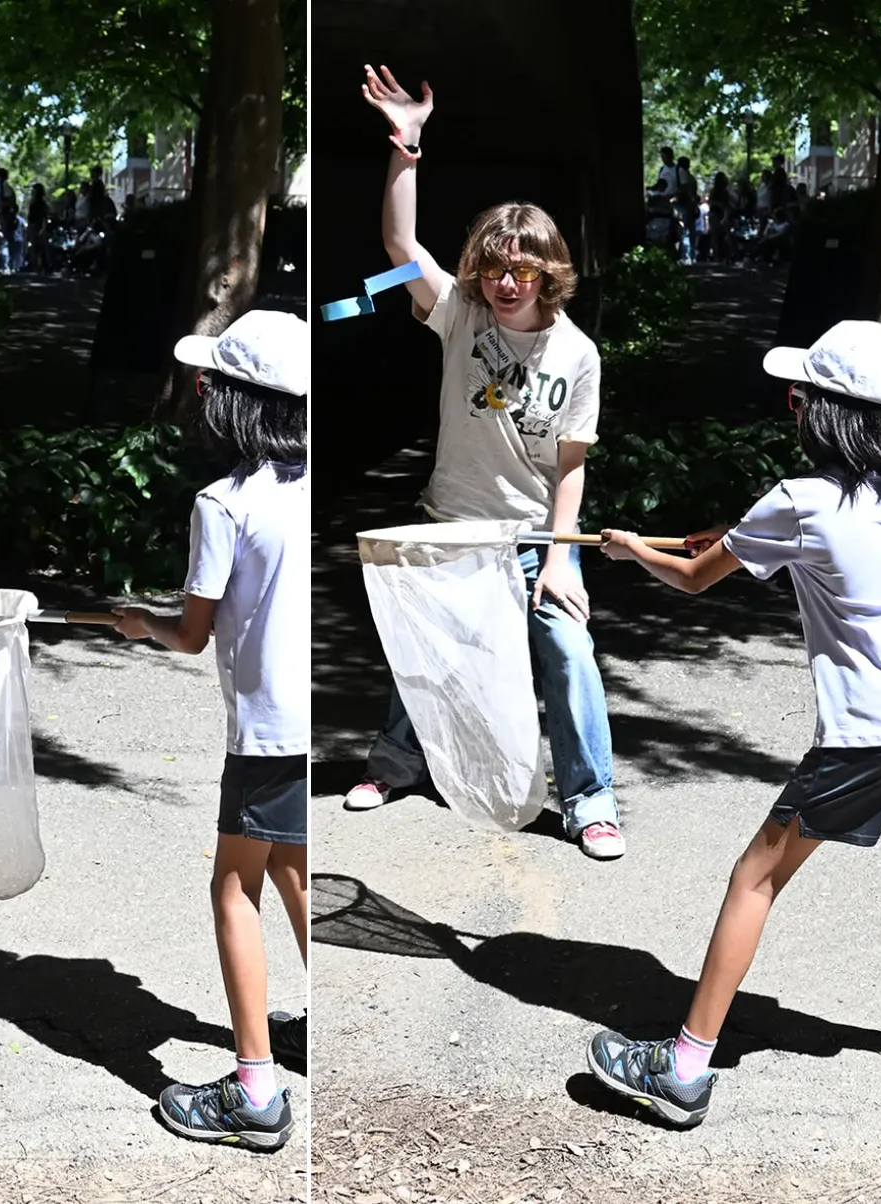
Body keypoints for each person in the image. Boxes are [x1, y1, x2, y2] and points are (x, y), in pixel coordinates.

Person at [586, 320, 881, 1127]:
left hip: (870, 733)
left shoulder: (803, 501)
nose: (791, 406)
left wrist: (632, 550)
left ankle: (685, 1068)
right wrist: (736, 540)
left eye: (799, 396)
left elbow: (697, 578)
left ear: (823, 412)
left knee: (754, 878)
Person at [344, 64, 625, 860]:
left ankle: (589, 801)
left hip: (535, 536)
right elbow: (399, 245)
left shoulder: (577, 352)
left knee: (568, 656)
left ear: (548, 272)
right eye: (494, 267)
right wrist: (407, 142)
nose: (505, 282)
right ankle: (398, 765)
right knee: (425, 647)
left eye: (522, 270)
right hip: (451, 522)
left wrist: (562, 560)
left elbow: (572, 461)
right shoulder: (461, 313)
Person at [109, 310, 309, 1150]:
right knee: (298, 870)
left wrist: (135, 623)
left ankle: (256, 1092)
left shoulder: (222, 505)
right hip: (311, 725)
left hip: (265, 732)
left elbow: (192, 634)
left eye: (210, 382)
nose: (200, 392)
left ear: (227, 402)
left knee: (236, 887)